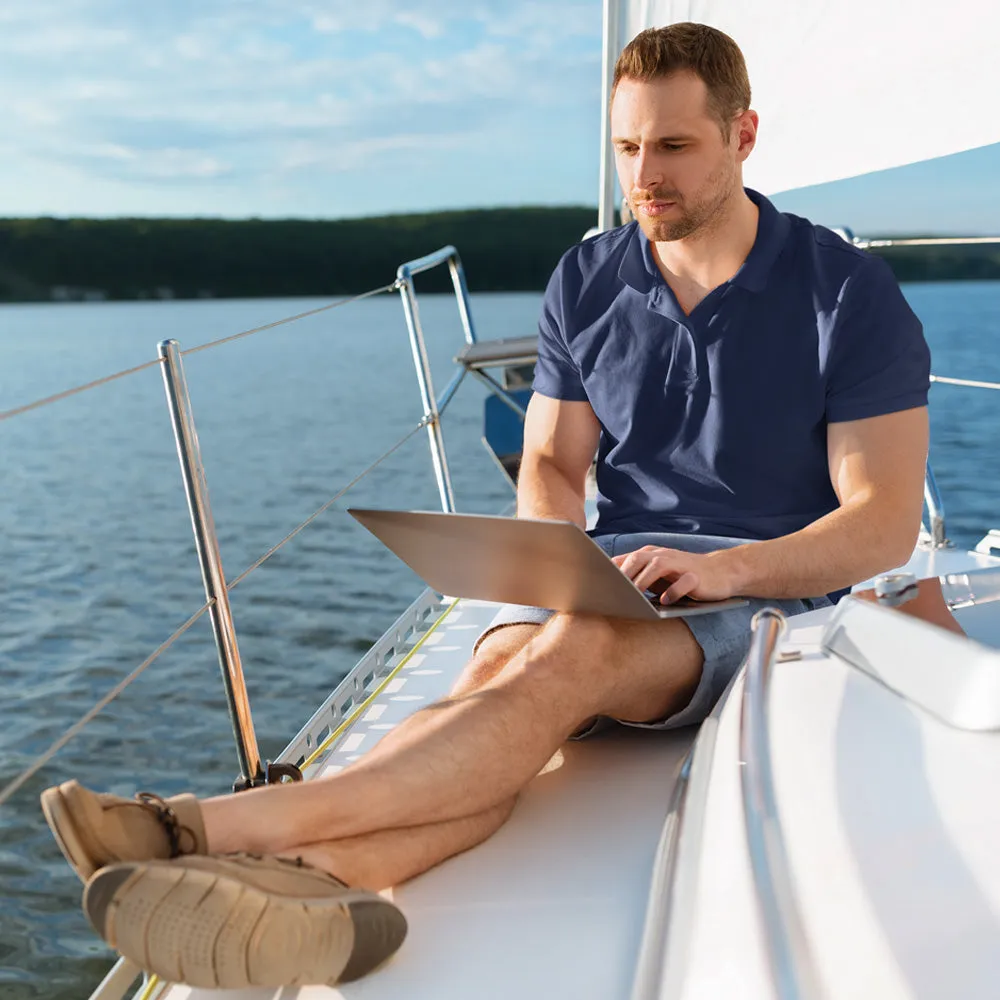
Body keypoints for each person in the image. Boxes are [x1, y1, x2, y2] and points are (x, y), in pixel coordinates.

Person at [40, 21, 930, 990]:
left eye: (674, 146)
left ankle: (204, 824)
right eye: (627, 148)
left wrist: (722, 570)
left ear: (743, 135)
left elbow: (878, 521)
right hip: (615, 572)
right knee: (501, 682)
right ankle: (337, 882)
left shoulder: (844, 293)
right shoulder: (587, 277)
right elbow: (550, 459)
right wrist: (555, 564)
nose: (645, 175)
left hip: (761, 595)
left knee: (572, 657)